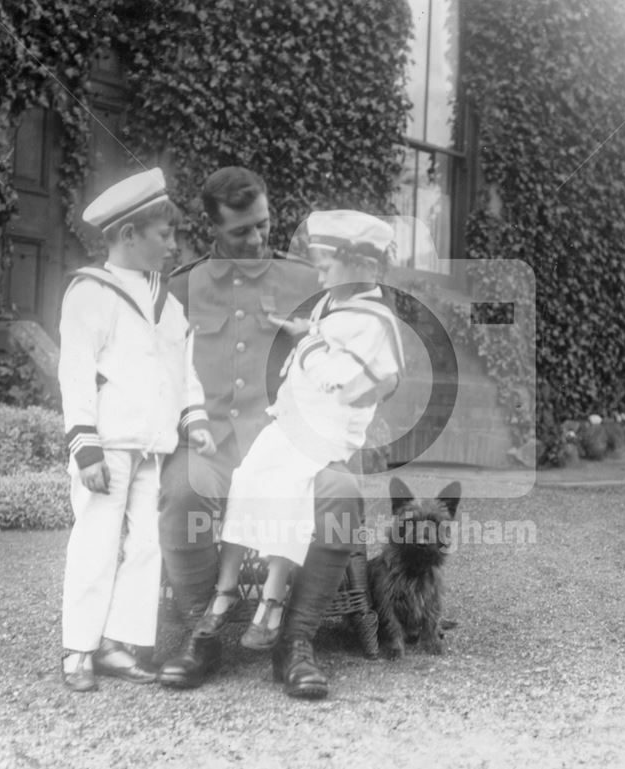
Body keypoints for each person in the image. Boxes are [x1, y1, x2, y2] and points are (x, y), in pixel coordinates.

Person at [157, 167, 369, 699]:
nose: (256, 239)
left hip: (289, 445)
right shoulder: (181, 287)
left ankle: (294, 642)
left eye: (263, 224)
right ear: (211, 227)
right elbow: (161, 374)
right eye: (240, 231)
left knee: (341, 496)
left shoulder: (305, 281)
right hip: (212, 444)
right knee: (182, 493)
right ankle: (200, 635)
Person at [202, 210, 404, 652]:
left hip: (327, 429)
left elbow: (344, 381)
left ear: (360, 265)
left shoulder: (375, 321)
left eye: (328, 266)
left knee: (292, 489)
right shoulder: (335, 301)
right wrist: (305, 333)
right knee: (249, 475)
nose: (320, 274)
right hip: (294, 419)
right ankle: (226, 585)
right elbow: (320, 342)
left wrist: (307, 344)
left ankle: (272, 601)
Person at [58, 167, 216, 693]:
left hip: (153, 447)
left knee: (150, 543)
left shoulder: (167, 304)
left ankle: (118, 643)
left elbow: (183, 369)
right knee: (96, 540)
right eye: (164, 235)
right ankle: (79, 646)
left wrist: (193, 420)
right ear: (129, 235)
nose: (174, 245)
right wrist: (85, 446)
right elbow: (76, 373)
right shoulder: (90, 293)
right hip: (108, 445)